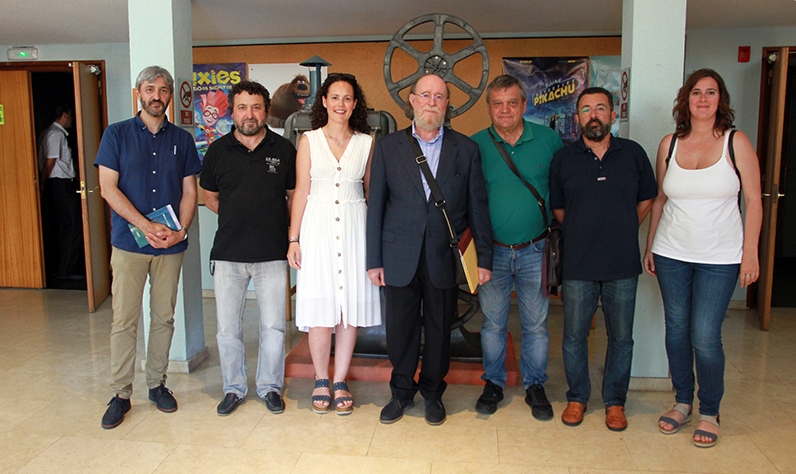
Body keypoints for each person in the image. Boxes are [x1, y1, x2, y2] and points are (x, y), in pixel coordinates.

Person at [643, 69, 762, 448]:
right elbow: (660, 199)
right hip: (671, 252)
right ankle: (682, 401)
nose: (703, 99)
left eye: (711, 92)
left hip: (720, 257)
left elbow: (754, 200)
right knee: (676, 330)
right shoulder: (669, 145)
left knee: (705, 336)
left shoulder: (735, 142)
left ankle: (709, 411)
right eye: (697, 92)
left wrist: (750, 253)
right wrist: (650, 245)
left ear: (720, 99)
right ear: (686, 99)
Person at [367, 73, 493, 426]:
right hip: (398, 255)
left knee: (440, 329)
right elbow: (376, 205)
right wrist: (374, 260)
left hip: (444, 256)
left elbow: (477, 208)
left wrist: (483, 259)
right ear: (412, 100)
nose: (431, 103)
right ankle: (401, 392)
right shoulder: (388, 147)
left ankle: (434, 393)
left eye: (439, 97)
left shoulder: (466, 150)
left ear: (447, 104)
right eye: (425, 95)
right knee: (400, 330)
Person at [95, 66, 202, 429]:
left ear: (170, 95)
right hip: (129, 244)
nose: (157, 95)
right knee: (124, 320)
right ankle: (120, 393)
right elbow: (108, 188)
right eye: (150, 89)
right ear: (138, 93)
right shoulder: (116, 134)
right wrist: (145, 225)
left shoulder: (182, 140)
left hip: (170, 246)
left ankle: (157, 384)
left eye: (163, 89)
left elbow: (189, 191)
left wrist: (180, 231)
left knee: (163, 317)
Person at [549, 87, 657, 431]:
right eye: (586, 109)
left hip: (622, 264)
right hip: (578, 263)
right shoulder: (563, 159)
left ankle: (615, 402)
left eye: (600, 108)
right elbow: (559, 208)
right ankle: (577, 398)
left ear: (612, 114)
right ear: (577, 117)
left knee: (621, 338)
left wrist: (623, 226)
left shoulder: (634, 154)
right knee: (574, 336)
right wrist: (584, 229)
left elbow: (647, 199)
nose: (593, 115)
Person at [201, 80, 296, 417]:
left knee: (274, 327)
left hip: (272, 253)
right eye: (242, 107)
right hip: (228, 254)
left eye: (256, 107)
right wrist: (238, 216)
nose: (249, 114)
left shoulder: (283, 149)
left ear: (266, 111)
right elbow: (210, 197)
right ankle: (234, 388)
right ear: (232, 111)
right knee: (228, 329)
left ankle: (270, 387)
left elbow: (293, 197)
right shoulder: (217, 151)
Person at [288, 74, 380, 416]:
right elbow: (301, 191)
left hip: (355, 227)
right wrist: (293, 238)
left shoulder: (367, 143)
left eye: (348, 98)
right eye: (335, 97)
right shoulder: (309, 141)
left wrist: (376, 242)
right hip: (318, 227)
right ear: (324, 101)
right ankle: (321, 378)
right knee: (321, 308)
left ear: (355, 105)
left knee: (347, 309)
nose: (341, 104)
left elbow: (371, 191)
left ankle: (340, 379)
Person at [470, 75, 562, 419]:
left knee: (535, 325)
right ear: (489, 108)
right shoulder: (476, 145)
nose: (505, 110)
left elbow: (563, 189)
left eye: (512, 102)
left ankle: (535, 386)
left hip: (536, 250)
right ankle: (493, 383)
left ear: (524, 105)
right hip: (491, 252)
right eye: (497, 103)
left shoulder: (549, 140)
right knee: (493, 324)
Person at [38, 104, 84, 280]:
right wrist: (42, 184)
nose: (71, 120)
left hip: (58, 184)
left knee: (64, 225)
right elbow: (50, 162)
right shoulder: (56, 134)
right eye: (70, 116)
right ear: (64, 115)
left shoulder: (49, 133)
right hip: (59, 183)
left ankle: (63, 266)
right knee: (72, 225)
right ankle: (66, 268)